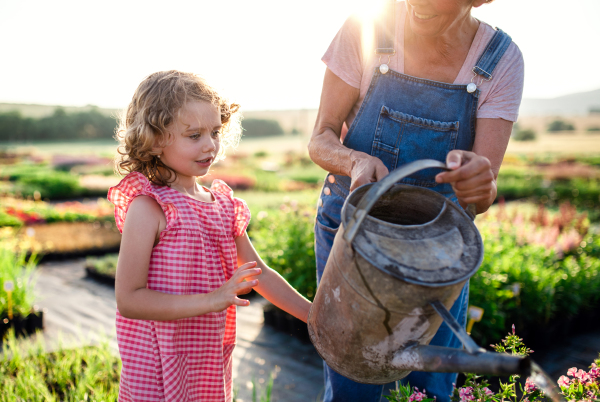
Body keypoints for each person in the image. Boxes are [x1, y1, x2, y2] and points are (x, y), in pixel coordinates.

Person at [308, 0, 524, 401]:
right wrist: (354, 161)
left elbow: (484, 190)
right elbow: (319, 138)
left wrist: (478, 182)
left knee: (429, 388)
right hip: (354, 234)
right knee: (351, 378)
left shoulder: (499, 59)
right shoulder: (367, 28)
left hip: (438, 253)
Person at [108, 70, 312, 402]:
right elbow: (128, 300)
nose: (210, 145)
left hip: (207, 358)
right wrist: (212, 299)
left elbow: (258, 274)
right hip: (158, 365)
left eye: (215, 132)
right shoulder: (149, 207)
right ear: (155, 138)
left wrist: (314, 317)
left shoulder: (223, 206)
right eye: (194, 135)